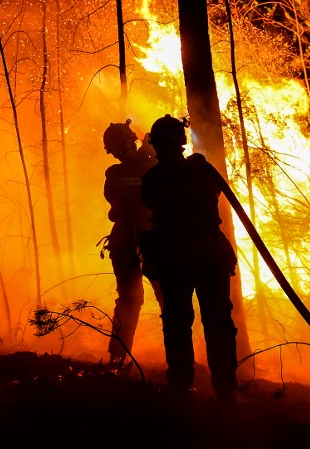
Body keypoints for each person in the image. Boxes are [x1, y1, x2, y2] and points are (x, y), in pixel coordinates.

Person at [139, 114, 239, 402]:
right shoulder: (202, 171)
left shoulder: (153, 179)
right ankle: (226, 391)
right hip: (207, 254)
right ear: (182, 142)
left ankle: (181, 389)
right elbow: (214, 191)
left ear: (155, 145)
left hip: (175, 258)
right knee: (217, 322)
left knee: (178, 323)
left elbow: (148, 209)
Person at [101, 119, 159, 369]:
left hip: (136, 241)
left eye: (123, 145)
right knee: (131, 299)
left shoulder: (149, 165)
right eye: (119, 147)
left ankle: (118, 359)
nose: (122, 151)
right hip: (144, 241)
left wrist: (149, 155)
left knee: (139, 299)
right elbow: (138, 181)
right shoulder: (116, 174)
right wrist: (149, 154)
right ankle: (117, 359)